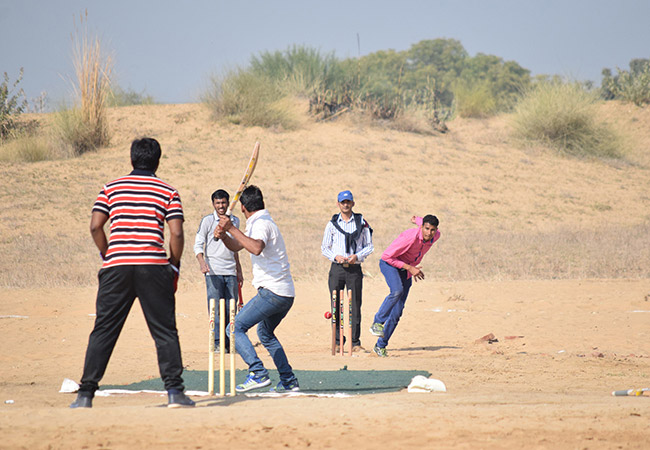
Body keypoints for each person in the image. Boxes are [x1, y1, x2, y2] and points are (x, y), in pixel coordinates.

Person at [70, 137, 194, 408]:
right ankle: (175, 392)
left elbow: (95, 226)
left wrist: (108, 254)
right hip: (153, 266)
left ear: (131, 160)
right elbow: (176, 232)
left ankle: (85, 395)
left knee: (103, 330)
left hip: (116, 267)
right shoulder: (167, 190)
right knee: (164, 331)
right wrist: (174, 264)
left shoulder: (111, 188)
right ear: (157, 161)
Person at [214, 185, 299, 393]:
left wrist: (231, 228)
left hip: (273, 292)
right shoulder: (259, 221)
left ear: (243, 207)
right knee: (265, 333)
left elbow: (256, 247)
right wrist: (225, 235)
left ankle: (258, 373)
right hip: (285, 294)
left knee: (234, 328)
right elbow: (239, 245)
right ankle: (288, 380)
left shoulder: (261, 223)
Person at [369, 215, 440, 357]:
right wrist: (411, 268)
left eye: (432, 230)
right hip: (390, 265)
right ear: (422, 228)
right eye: (426, 229)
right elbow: (386, 257)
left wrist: (418, 219)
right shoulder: (409, 237)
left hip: (406, 271)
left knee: (397, 312)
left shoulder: (435, 235)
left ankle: (380, 346)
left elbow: (428, 225)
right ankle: (377, 322)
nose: (429, 233)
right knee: (396, 291)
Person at [321, 190, 373, 351]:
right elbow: (324, 247)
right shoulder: (332, 224)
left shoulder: (361, 222)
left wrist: (356, 256)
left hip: (354, 269)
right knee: (336, 304)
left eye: (348, 202)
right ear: (338, 204)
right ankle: (337, 341)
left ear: (353, 203)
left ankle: (355, 343)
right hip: (337, 269)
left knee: (355, 305)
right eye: (342, 202)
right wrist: (335, 257)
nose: (345, 205)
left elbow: (369, 246)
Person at [194, 189, 243, 351]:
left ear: (228, 203)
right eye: (217, 203)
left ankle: (229, 342)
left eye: (223, 202)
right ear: (213, 204)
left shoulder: (234, 221)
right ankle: (216, 341)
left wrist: (239, 271)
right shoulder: (208, 221)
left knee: (231, 308)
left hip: (230, 271)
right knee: (215, 309)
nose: (221, 206)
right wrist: (202, 262)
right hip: (213, 271)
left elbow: (235, 248)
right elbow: (198, 243)